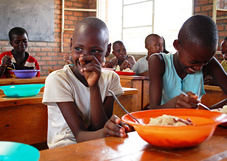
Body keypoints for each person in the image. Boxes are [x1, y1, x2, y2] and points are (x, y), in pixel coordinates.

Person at [42, 17, 130, 149]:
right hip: (64, 150)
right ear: (71, 45)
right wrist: (106, 132)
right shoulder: (58, 79)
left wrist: (94, 86)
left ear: (107, 50)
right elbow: (79, 135)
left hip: (97, 147)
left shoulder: (111, 78)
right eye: (78, 48)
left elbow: (99, 127)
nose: (84, 57)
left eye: (95, 51)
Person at [148, 15, 227, 109]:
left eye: (205, 62)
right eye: (194, 62)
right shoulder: (158, 61)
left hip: (195, 123)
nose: (199, 68)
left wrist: (208, 112)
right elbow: (153, 108)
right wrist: (174, 104)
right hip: (162, 122)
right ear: (177, 45)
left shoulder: (210, 63)